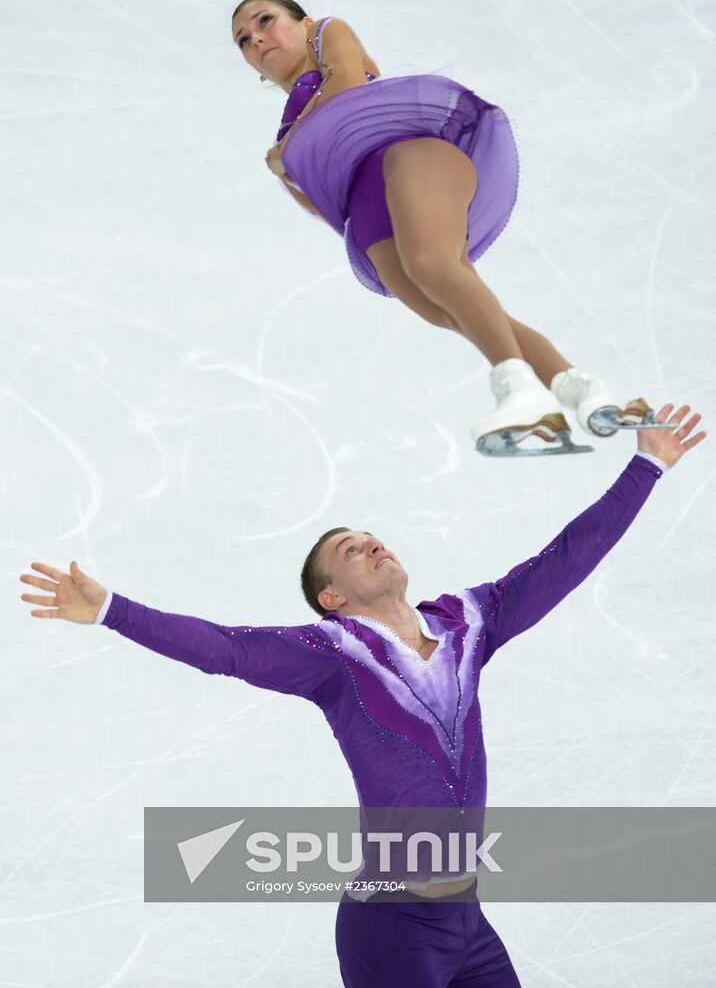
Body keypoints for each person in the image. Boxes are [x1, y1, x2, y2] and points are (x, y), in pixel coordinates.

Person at [19, 406, 706, 986]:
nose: (371, 543)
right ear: (333, 599)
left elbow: (565, 559)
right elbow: (224, 648)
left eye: (371, 537)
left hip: (465, 919)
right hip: (392, 928)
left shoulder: (470, 621)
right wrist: (114, 610)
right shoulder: (330, 655)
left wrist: (645, 467)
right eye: (350, 549)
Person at [231, 0, 674, 457]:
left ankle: (522, 397)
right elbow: (328, 205)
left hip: (410, 157)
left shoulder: (327, 34)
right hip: (367, 210)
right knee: (440, 306)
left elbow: (343, 85)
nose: (257, 38)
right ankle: (580, 388)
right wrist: (289, 171)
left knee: (431, 266)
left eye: (266, 21)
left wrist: (293, 152)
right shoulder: (286, 134)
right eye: (245, 40)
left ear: (303, 23)